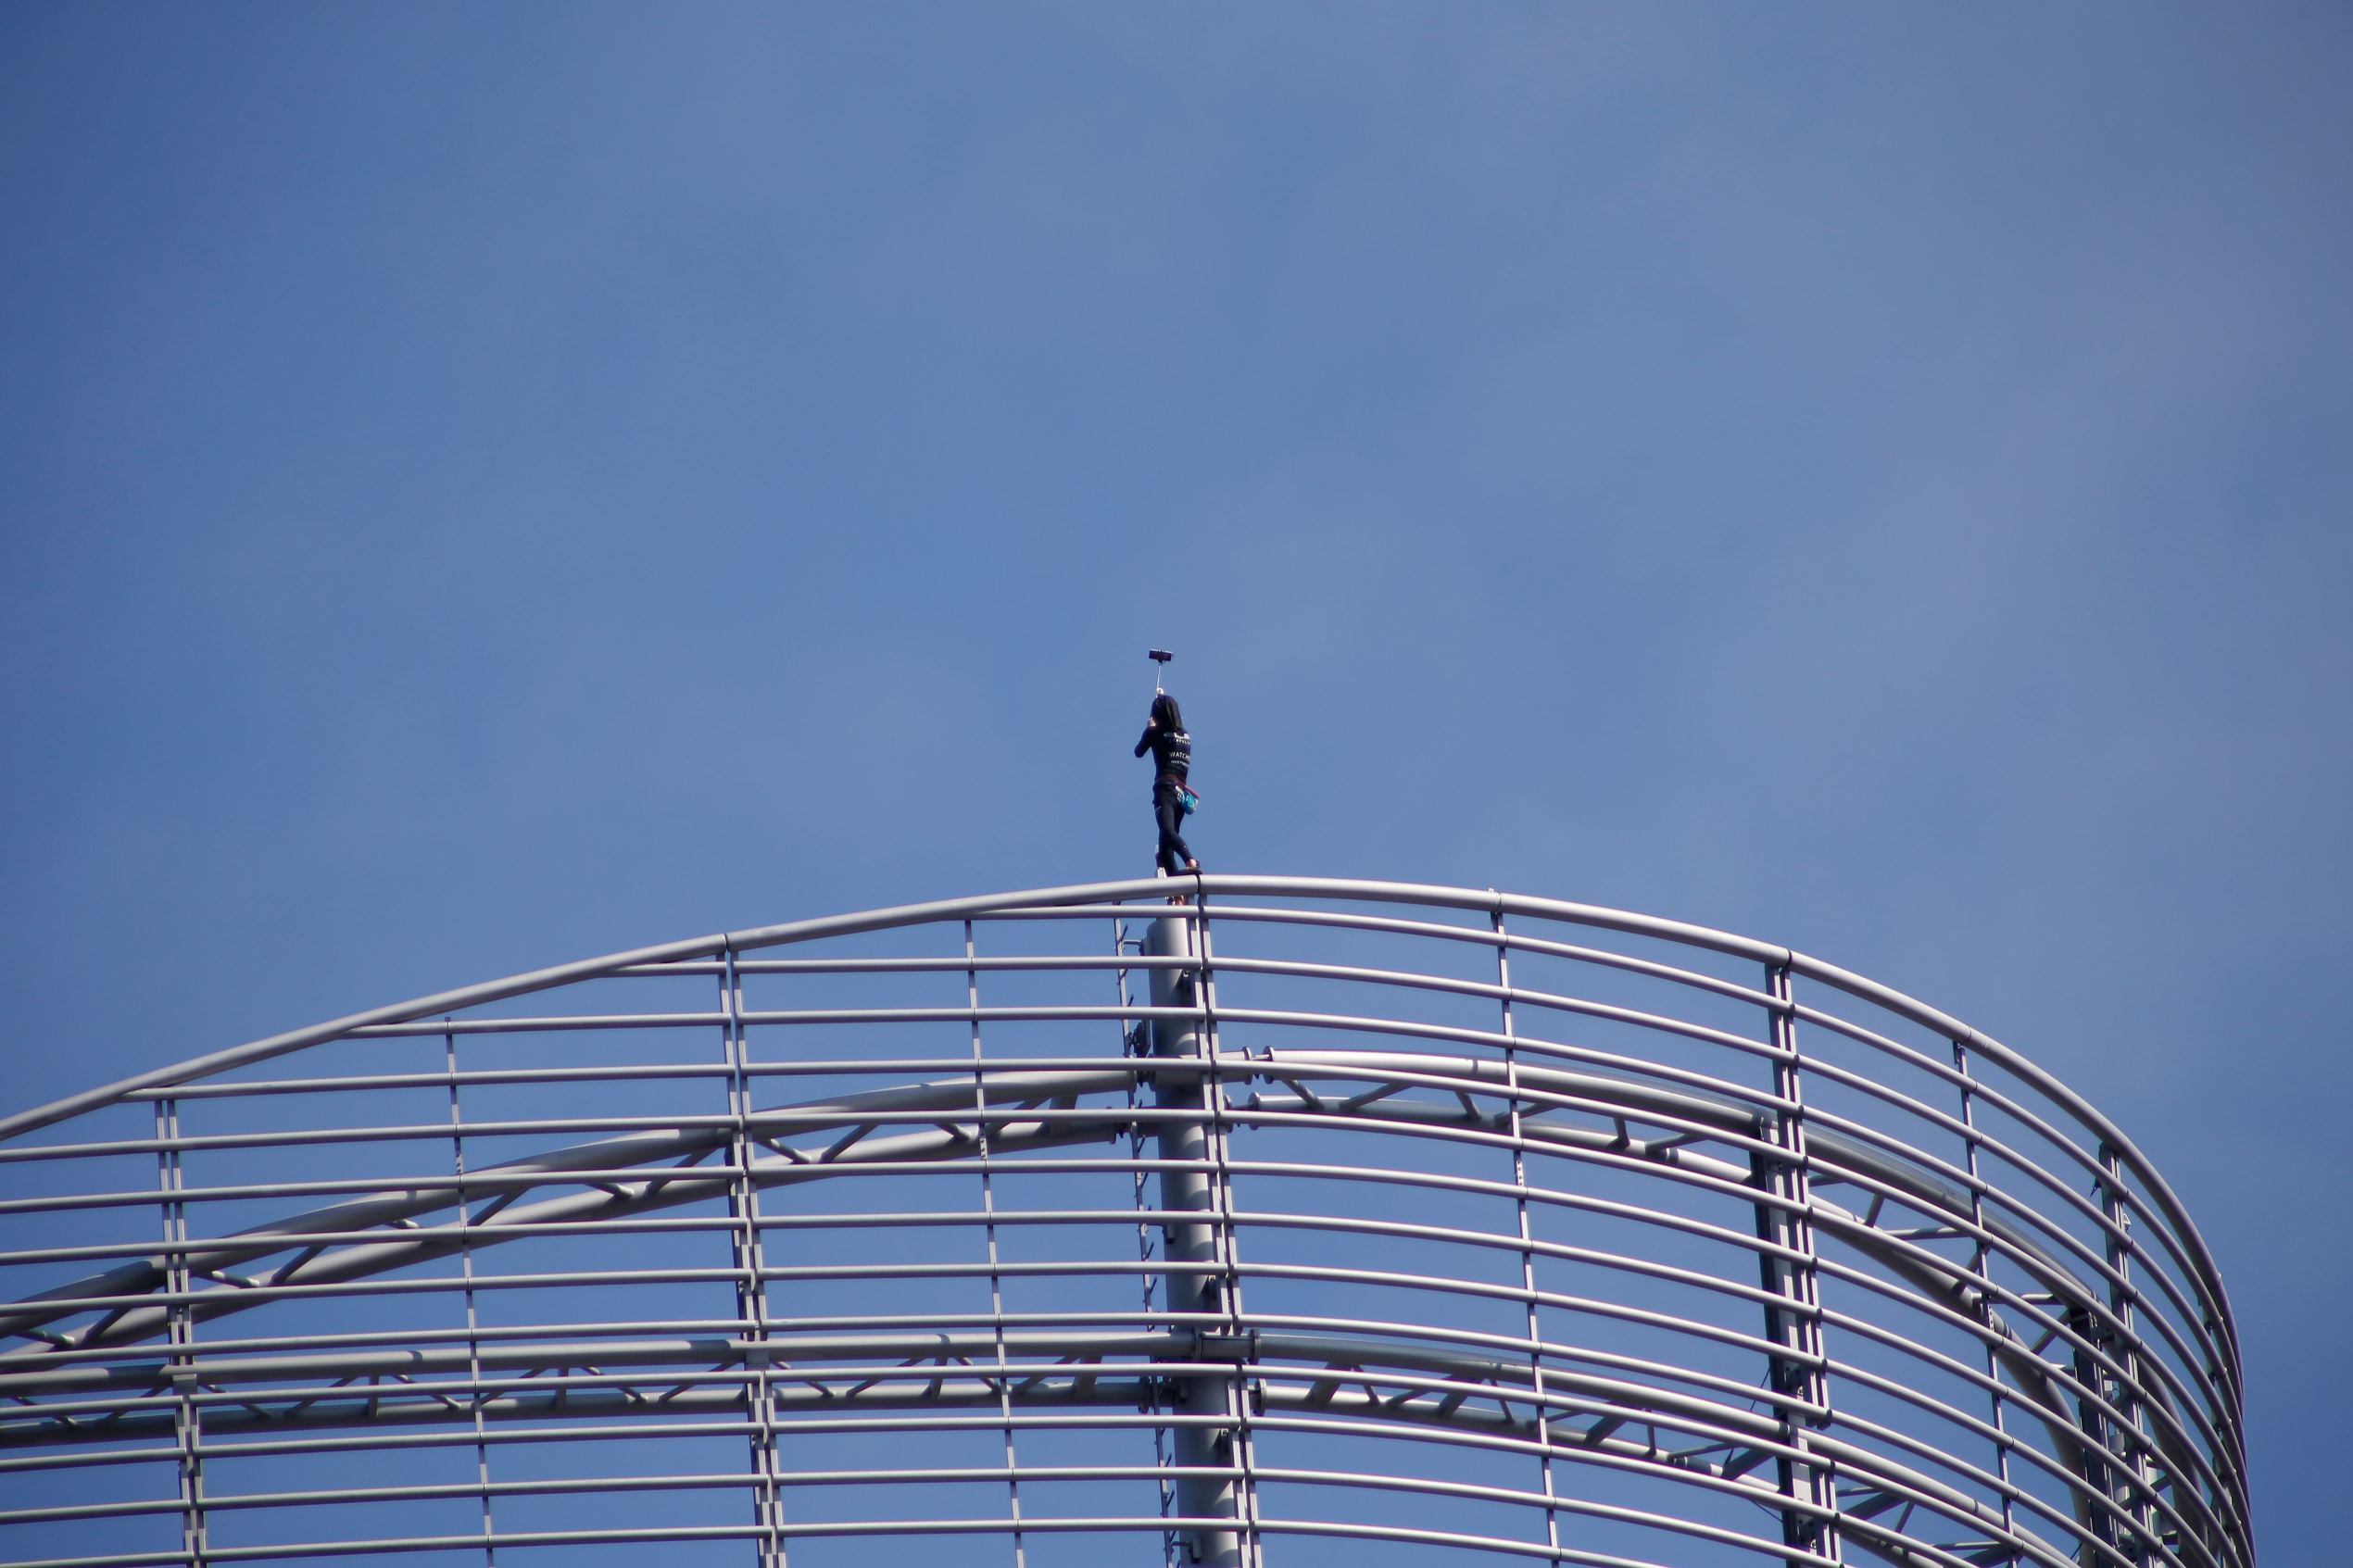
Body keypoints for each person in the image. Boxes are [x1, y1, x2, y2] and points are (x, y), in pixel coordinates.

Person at [1134, 692, 1200, 878]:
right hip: (1182, 792)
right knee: (1164, 846)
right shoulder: (1185, 735)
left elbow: (1138, 752)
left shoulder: (1155, 733)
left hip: (1165, 788)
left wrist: (1148, 729)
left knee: (1168, 831)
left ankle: (1190, 860)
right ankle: (1177, 890)